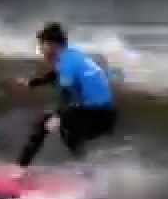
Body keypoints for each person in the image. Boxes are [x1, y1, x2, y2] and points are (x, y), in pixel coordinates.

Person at [11, 22, 118, 168]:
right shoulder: (74, 55)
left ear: (52, 45)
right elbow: (57, 75)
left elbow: (66, 94)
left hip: (97, 116)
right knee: (68, 130)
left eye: (42, 44)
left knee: (45, 123)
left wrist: (57, 116)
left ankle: (19, 169)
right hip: (107, 116)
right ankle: (87, 170)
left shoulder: (67, 63)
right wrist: (32, 83)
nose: (40, 49)